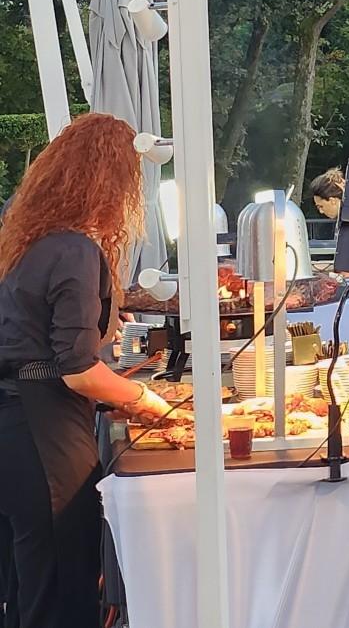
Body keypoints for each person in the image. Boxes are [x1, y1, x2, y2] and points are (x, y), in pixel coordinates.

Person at [0, 113, 180, 628]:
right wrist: (148, 402)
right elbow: (78, 372)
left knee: (26, 588)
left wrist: (101, 324)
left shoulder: (22, 238)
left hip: (15, 426)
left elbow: (30, 328)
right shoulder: (74, 249)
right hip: (46, 434)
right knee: (61, 590)